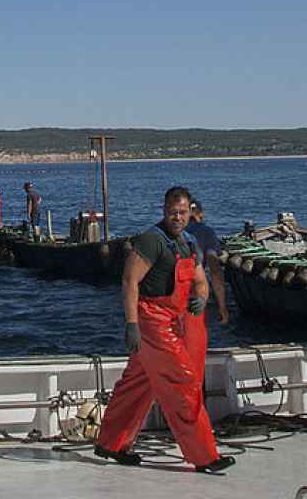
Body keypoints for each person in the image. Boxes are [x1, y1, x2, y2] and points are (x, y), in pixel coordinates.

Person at [95, 187, 231, 473]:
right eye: (173, 213)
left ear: (190, 212)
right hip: (151, 320)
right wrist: (132, 325)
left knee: (138, 383)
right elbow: (129, 282)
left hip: (175, 318)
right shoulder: (150, 241)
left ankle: (111, 443)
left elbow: (200, 280)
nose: (177, 218)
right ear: (164, 210)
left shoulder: (189, 243)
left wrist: (202, 298)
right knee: (183, 380)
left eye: (182, 213)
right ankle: (204, 455)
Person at [183, 198, 230, 395]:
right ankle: (194, 410)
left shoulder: (165, 232)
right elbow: (215, 270)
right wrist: (222, 306)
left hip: (165, 306)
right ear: (200, 215)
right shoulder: (206, 232)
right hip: (194, 305)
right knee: (193, 360)